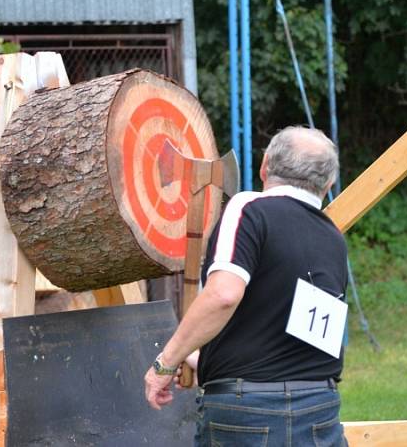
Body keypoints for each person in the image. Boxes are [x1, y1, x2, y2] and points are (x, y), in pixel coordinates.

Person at [144, 126, 349, 447]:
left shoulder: (248, 208)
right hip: (320, 409)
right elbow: (292, 338)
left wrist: (166, 362)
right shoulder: (334, 238)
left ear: (265, 166)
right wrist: (208, 361)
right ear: (328, 183)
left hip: (250, 415)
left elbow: (224, 295)